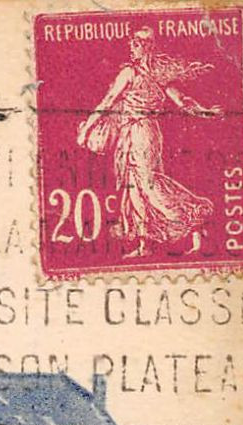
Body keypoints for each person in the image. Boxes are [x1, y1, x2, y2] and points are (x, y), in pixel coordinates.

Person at [76, 27, 221, 258]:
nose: (131, 47)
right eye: (131, 43)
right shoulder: (145, 74)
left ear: (147, 46)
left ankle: (194, 215)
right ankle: (145, 245)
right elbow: (181, 100)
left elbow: (108, 100)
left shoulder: (134, 74)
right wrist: (204, 112)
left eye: (136, 43)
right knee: (134, 186)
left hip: (142, 132)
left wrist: (87, 130)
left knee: (149, 184)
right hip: (133, 133)